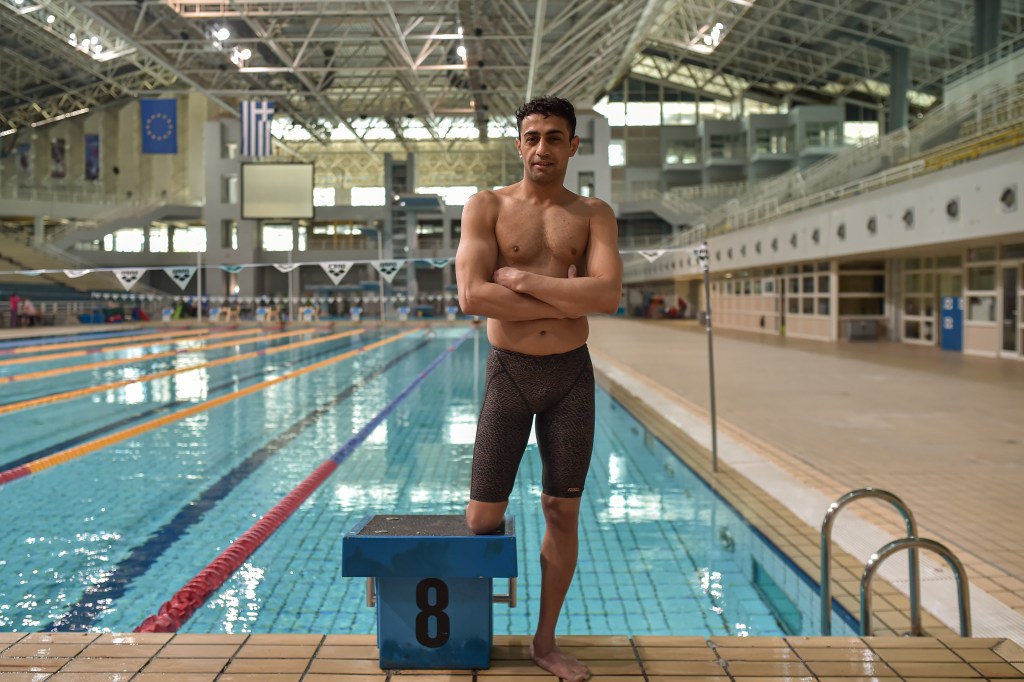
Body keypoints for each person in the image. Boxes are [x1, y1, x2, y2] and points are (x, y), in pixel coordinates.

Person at [455, 96, 622, 682]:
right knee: (481, 520)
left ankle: (544, 642)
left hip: (570, 375)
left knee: (562, 509)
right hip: (511, 373)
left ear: (573, 146)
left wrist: (522, 279)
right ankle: (472, 627)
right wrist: (565, 291)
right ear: (518, 144)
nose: (542, 147)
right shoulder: (487, 206)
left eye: (555, 137)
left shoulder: (594, 214)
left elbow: (608, 297)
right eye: (532, 137)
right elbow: (473, 297)